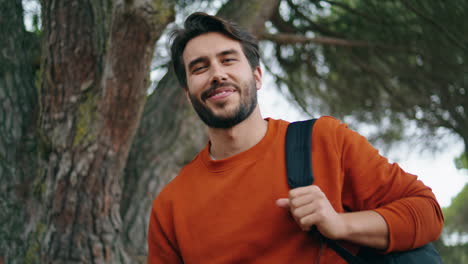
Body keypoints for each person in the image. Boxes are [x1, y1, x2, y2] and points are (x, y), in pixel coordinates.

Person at [147, 12, 444, 263]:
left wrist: (340, 224)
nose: (216, 74)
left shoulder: (326, 140)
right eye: (199, 67)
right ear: (188, 94)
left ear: (257, 76)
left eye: (228, 60)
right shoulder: (170, 207)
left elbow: (426, 211)